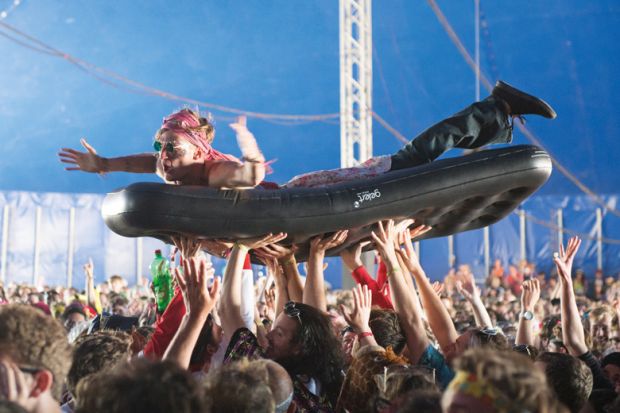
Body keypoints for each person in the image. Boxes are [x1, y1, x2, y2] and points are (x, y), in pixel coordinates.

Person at [59, 81, 556, 190]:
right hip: (295, 220)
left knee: (410, 161)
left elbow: (247, 175)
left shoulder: (211, 170)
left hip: (307, 195)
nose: (160, 154)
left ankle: (496, 107)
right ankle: (493, 117)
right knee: (413, 162)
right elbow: (145, 163)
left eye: (169, 145)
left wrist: (251, 153)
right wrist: (103, 165)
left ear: (198, 148)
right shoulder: (174, 168)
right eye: (160, 145)